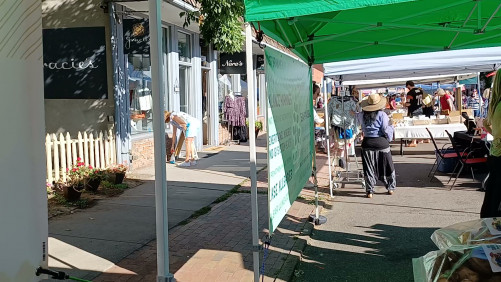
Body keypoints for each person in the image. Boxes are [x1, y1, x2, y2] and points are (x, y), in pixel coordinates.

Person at [358, 94, 396, 198]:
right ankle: (390, 187)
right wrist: (391, 129)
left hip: (367, 143)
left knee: (369, 168)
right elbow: (385, 129)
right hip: (381, 143)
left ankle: (370, 190)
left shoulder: (361, 115)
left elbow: (360, 126)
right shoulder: (382, 114)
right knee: (388, 166)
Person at [481, 69, 501, 218]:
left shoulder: (496, 103)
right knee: (495, 198)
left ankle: (489, 228)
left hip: (496, 153)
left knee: (493, 196)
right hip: (499, 155)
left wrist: (495, 134)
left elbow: (485, 123)